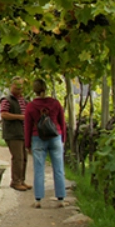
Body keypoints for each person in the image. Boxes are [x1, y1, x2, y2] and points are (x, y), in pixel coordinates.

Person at [24, 79, 68, 208]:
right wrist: (63, 139)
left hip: (38, 138)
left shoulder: (31, 106)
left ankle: (38, 200)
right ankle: (61, 199)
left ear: (34, 90)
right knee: (59, 168)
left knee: (39, 169)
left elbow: (27, 126)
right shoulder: (55, 103)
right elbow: (62, 122)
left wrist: (28, 144)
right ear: (45, 89)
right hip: (55, 137)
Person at [0, 77, 30, 191]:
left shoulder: (24, 100)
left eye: (21, 86)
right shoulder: (7, 100)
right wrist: (20, 117)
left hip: (23, 132)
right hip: (13, 133)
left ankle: (21, 180)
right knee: (18, 158)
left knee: (24, 157)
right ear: (11, 86)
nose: (19, 88)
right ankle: (15, 181)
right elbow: (4, 114)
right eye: (17, 86)